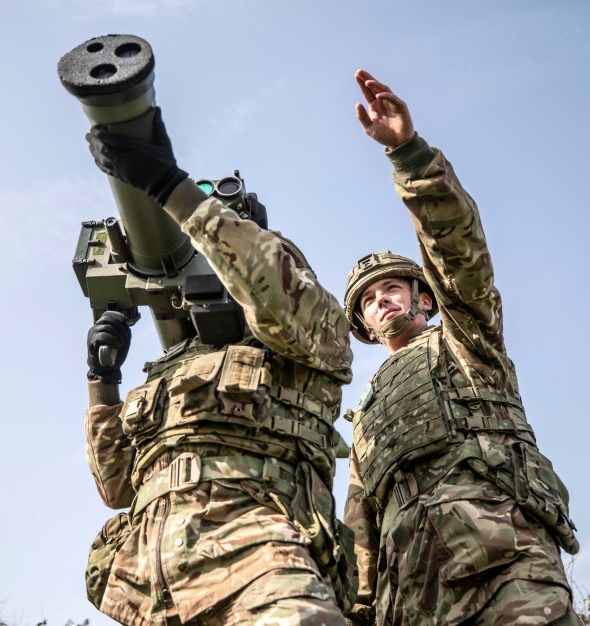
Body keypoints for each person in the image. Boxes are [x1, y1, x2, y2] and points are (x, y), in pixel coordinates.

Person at [81, 106, 357, 625]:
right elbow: (116, 487)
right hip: (144, 583)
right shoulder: (172, 369)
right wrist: (103, 382)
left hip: (259, 555)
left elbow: (266, 282)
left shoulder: (313, 336)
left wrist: (171, 187)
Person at [342, 69, 581, 626]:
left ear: (423, 299)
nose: (381, 301)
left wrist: (408, 157)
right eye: (368, 300)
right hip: (411, 599)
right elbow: (361, 526)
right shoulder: (364, 414)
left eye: (392, 287)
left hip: (505, 564)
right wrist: (357, 608)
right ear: (363, 324)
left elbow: (459, 255)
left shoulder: (467, 340)